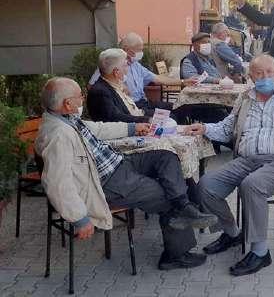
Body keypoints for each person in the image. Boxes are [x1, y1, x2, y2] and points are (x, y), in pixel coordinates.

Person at [36, 77, 217, 270]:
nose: (83, 99)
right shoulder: (58, 135)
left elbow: (97, 128)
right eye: (80, 96)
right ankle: (175, 254)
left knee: (166, 155)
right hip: (109, 182)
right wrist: (80, 218)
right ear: (67, 103)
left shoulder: (66, 118)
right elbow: (57, 182)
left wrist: (132, 127)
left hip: (119, 163)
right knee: (167, 194)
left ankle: (183, 206)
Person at [185, 55, 274, 276]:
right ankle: (231, 233)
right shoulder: (245, 98)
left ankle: (260, 252)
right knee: (205, 186)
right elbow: (227, 127)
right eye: (259, 73)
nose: (265, 76)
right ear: (251, 76)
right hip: (246, 160)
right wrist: (205, 129)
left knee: (252, 185)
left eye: (269, 71)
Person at [89, 32, 198, 112]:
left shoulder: (136, 65)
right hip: (129, 106)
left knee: (178, 108)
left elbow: (157, 78)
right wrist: (118, 92)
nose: (141, 53)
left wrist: (183, 81)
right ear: (127, 49)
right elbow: (92, 86)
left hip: (143, 102)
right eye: (139, 49)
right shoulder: (111, 63)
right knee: (169, 116)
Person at [87, 49, 151, 123]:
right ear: (116, 72)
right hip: (130, 129)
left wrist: (155, 116)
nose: (128, 68)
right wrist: (147, 120)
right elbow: (116, 118)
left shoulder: (117, 85)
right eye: (125, 65)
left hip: (139, 120)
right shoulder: (100, 92)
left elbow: (133, 110)